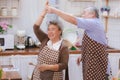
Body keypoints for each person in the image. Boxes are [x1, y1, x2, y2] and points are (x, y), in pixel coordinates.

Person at [46, 4, 108, 80]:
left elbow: (73, 20)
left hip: (96, 64)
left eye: (85, 13)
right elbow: (92, 43)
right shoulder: (94, 24)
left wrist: (54, 10)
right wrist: (83, 55)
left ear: (92, 14)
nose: (83, 15)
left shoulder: (93, 23)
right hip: (92, 61)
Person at [31, 2, 69, 80]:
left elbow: (63, 65)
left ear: (59, 31)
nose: (50, 32)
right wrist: (44, 12)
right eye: (48, 29)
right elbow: (36, 27)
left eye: (53, 29)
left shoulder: (63, 47)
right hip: (37, 76)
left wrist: (47, 67)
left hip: (54, 78)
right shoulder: (45, 39)